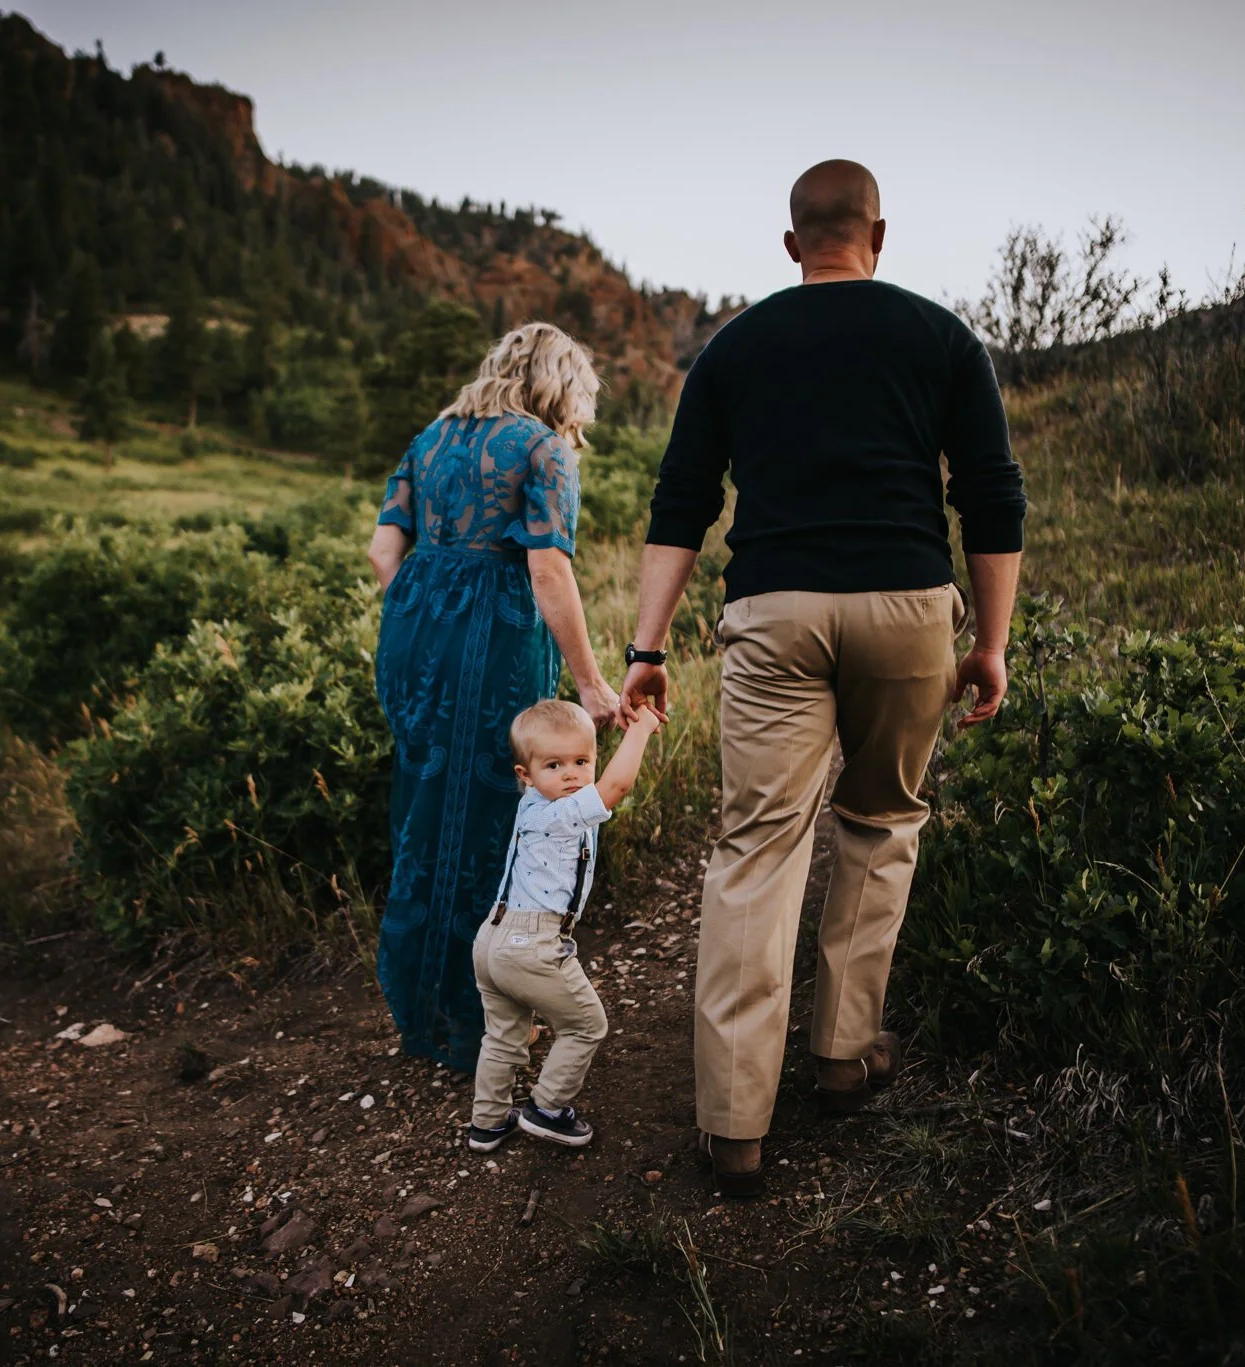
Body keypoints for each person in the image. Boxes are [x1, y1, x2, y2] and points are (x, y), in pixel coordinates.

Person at [618, 160, 1027, 1196]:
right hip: (905, 606)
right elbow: (990, 496)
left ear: (790, 241)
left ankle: (733, 1125)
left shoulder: (735, 346)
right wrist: (989, 640)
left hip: (774, 611)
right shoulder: (940, 338)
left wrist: (646, 649)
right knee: (881, 818)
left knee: (755, 847)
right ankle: (843, 1056)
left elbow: (680, 501)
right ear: (875, 235)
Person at [367, 323, 621, 1070]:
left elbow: (385, 551)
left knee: (423, 814)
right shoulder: (543, 447)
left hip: (414, 640)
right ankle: (485, 1022)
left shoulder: (431, 437)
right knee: (493, 827)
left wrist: (426, 616)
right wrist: (589, 682)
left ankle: (420, 1014)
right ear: (557, 383)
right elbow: (548, 570)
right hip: (496, 640)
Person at [466, 698, 665, 1153]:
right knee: (586, 1025)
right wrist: (640, 731)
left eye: (581, 761)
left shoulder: (534, 804)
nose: (572, 774)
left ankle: (488, 1123)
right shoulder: (557, 815)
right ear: (526, 776)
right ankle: (548, 1109)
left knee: (503, 1036)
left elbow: (579, 756)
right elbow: (615, 786)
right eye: (554, 765)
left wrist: (612, 712)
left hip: (491, 941)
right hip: (531, 942)